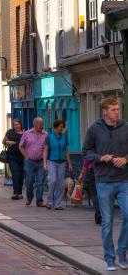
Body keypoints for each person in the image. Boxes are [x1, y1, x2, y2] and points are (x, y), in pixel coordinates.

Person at [83, 97, 128, 271]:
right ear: (105, 111)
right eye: (113, 109)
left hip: (124, 179)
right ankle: (109, 258)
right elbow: (86, 151)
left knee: (127, 215)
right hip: (103, 181)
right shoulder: (95, 129)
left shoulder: (125, 127)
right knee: (107, 221)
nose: (117, 112)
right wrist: (100, 158)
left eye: (118, 109)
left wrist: (125, 159)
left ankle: (122, 252)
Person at [43, 119, 72, 210]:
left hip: (62, 162)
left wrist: (69, 163)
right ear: (56, 127)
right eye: (60, 127)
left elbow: (66, 151)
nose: (62, 129)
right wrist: (45, 163)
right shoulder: (49, 137)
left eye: (63, 127)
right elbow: (45, 150)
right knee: (53, 181)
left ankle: (57, 204)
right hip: (52, 161)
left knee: (60, 183)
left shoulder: (64, 137)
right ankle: (49, 201)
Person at [20, 117, 48, 207]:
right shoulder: (27, 134)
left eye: (42, 124)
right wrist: (26, 156)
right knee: (29, 182)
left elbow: (46, 149)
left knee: (40, 182)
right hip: (30, 161)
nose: (42, 126)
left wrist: (45, 162)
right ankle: (29, 197)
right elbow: (21, 146)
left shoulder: (45, 134)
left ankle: (39, 201)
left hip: (40, 161)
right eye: (40, 124)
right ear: (35, 124)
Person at [3, 118, 25, 200]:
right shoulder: (10, 132)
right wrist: (8, 142)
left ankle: (20, 193)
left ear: (20, 124)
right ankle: (15, 192)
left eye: (17, 124)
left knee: (21, 175)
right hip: (12, 156)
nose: (16, 126)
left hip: (22, 156)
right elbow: (4, 141)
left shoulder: (24, 133)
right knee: (15, 174)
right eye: (14, 125)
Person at [78, 158, 102, 225]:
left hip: (93, 170)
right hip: (103, 171)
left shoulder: (92, 148)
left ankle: (99, 214)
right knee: (101, 193)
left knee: (94, 194)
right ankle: (100, 215)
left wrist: (81, 174)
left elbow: (87, 160)